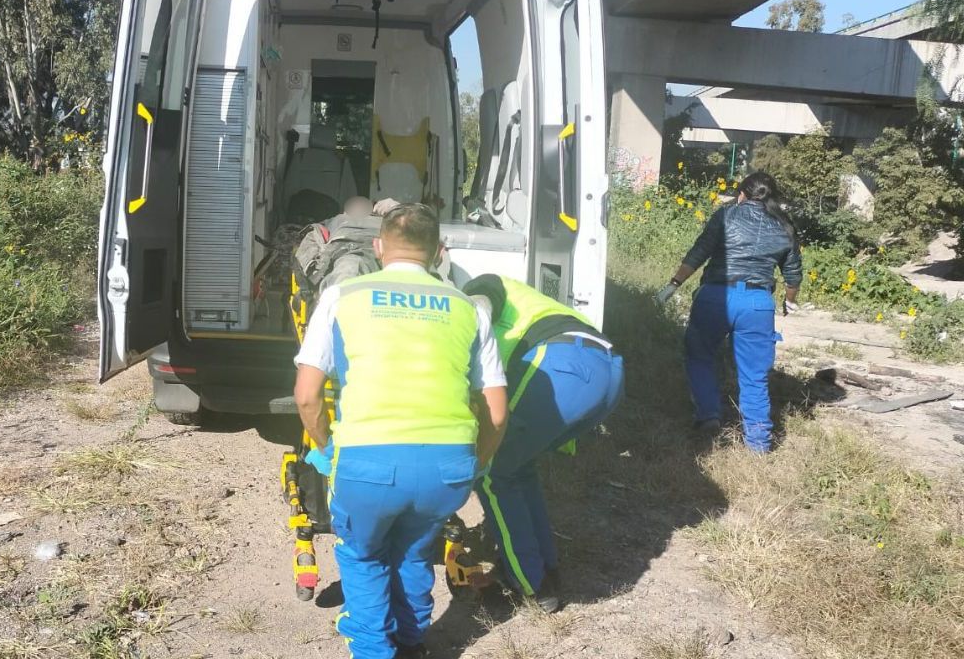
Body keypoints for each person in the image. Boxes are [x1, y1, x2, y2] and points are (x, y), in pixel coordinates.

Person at [293, 203, 509, 659]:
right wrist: (479, 463)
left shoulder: (343, 296)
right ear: (439, 253)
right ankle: (412, 642)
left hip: (368, 462)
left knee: (364, 554)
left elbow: (308, 395)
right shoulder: (469, 307)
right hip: (446, 466)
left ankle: (374, 650)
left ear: (377, 247)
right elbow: (496, 412)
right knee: (414, 550)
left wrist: (328, 449)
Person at [463, 274, 624, 612]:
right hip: (604, 370)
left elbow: (477, 313)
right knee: (517, 468)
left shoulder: (480, 286)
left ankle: (530, 584)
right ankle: (545, 568)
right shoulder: (525, 301)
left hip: (563, 362)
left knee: (491, 471)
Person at [654, 172, 802, 453]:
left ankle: (708, 415)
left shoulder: (726, 215)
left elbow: (699, 252)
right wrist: (789, 301)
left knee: (699, 356)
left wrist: (673, 285)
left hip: (716, 296)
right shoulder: (784, 225)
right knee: (754, 374)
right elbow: (793, 275)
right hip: (758, 302)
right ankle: (758, 443)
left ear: (742, 194)